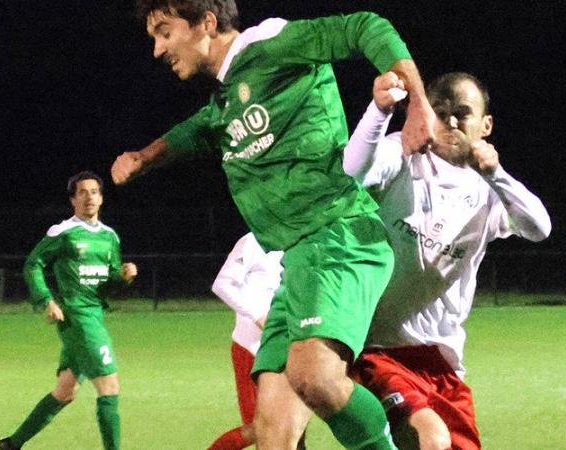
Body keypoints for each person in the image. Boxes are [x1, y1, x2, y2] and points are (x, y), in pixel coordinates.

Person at [112, 2, 437, 448]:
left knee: (316, 377)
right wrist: (145, 156)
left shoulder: (273, 45)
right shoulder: (225, 99)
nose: (157, 49)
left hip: (338, 236)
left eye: (165, 32)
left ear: (207, 22)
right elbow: (200, 128)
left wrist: (418, 105)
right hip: (297, 261)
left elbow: (366, 26)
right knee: (273, 427)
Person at [342, 71, 551, 449]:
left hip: (444, 361)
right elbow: (354, 171)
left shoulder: (489, 191)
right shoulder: (403, 154)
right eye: (440, 110)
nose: (451, 120)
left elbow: (539, 228)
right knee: (431, 439)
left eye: (463, 112)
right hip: (380, 348)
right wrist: (379, 111)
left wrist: (497, 174)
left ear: (486, 125)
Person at [0, 171, 138, 450]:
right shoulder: (62, 232)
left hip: (94, 314)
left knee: (66, 391)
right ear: (73, 199)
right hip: (76, 316)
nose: (89, 197)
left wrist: (123, 277)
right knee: (109, 387)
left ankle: (12, 444)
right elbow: (33, 264)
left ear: (101, 198)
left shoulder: (110, 237)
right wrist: (46, 299)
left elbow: (108, 284)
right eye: (82, 192)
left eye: (94, 192)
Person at [208, 232, 306, 450]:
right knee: (259, 429)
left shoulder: (302, 240)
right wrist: (258, 316)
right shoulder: (253, 241)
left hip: (289, 347)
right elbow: (222, 285)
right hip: (251, 348)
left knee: (294, 428)